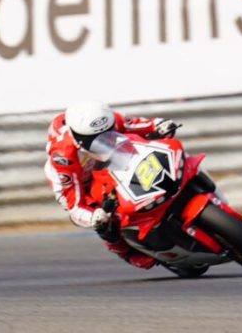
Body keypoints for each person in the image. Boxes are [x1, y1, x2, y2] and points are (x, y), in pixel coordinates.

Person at [44, 101, 180, 269]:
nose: (103, 139)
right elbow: (75, 206)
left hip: (109, 160)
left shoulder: (106, 120)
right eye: (95, 138)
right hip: (78, 182)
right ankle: (125, 252)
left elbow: (134, 124)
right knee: (103, 219)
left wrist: (158, 125)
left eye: (108, 132)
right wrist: (94, 217)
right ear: (78, 137)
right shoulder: (63, 157)